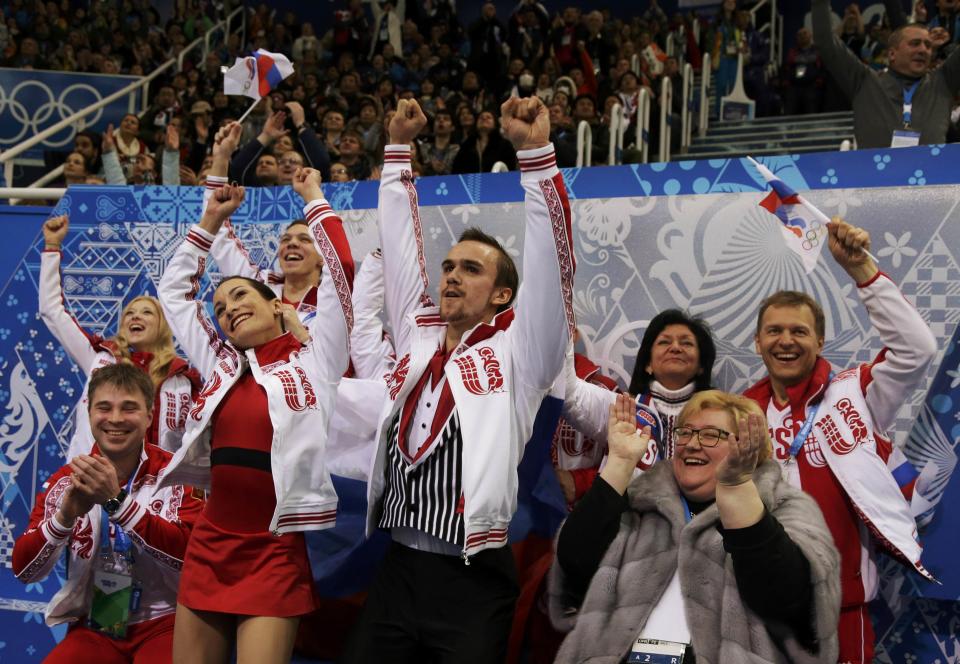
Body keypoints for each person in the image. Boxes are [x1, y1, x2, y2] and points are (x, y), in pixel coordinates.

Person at [340, 96, 575, 663]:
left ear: (501, 295)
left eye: (471, 269)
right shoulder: (419, 336)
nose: (450, 276)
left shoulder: (522, 355)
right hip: (397, 568)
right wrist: (396, 150)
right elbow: (399, 248)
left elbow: (552, 269)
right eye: (448, 266)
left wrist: (537, 156)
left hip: (473, 578)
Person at [156, 149, 356, 664]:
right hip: (210, 544)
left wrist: (314, 199)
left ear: (276, 302)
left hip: (272, 550)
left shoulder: (317, 360)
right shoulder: (222, 361)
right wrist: (208, 222)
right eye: (221, 308)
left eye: (241, 295)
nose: (228, 310)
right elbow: (174, 295)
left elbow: (342, 270)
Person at [743, 217, 938, 663]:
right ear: (757, 342)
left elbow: (917, 349)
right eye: (774, 331)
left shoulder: (856, 394)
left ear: (820, 340)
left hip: (840, 607)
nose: (786, 341)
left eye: (799, 331)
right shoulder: (742, 414)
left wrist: (862, 272)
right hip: (759, 605)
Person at [549, 391, 841, 663]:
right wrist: (620, 464)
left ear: (748, 446)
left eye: (711, 435)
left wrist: (738, 493)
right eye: (685, 432)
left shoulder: (784, 505)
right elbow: (576, 564)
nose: (692, 442)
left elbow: (788, 599)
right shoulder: (641, 500)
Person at [11, 363, 203, 664]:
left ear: (149, 416)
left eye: (129, 408)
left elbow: (193, 559)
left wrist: (118, 503)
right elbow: (24, 570)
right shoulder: (67, 480)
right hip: (96, 627)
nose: (115, 419)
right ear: (90, 415)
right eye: (104, 407)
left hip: (168, 622)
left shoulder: (178, 475)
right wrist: (64, 519)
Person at [39, 215, 200, 460]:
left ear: (163, 326)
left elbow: (191, 443)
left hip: (153, 489)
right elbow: (52, 310)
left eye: (147, 312)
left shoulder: (182, 378)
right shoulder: (101, 357)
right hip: (92, 478)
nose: (136, 317)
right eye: (129, 314)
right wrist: (52, 247)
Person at [812, 0, 960, 147]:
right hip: (874, 170)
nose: (923, 50)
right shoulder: (865, 82)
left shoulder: (942, 82)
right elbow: (825, 41)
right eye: (915, 43)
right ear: (892, 54)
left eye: (928, 45)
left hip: (932, 170)